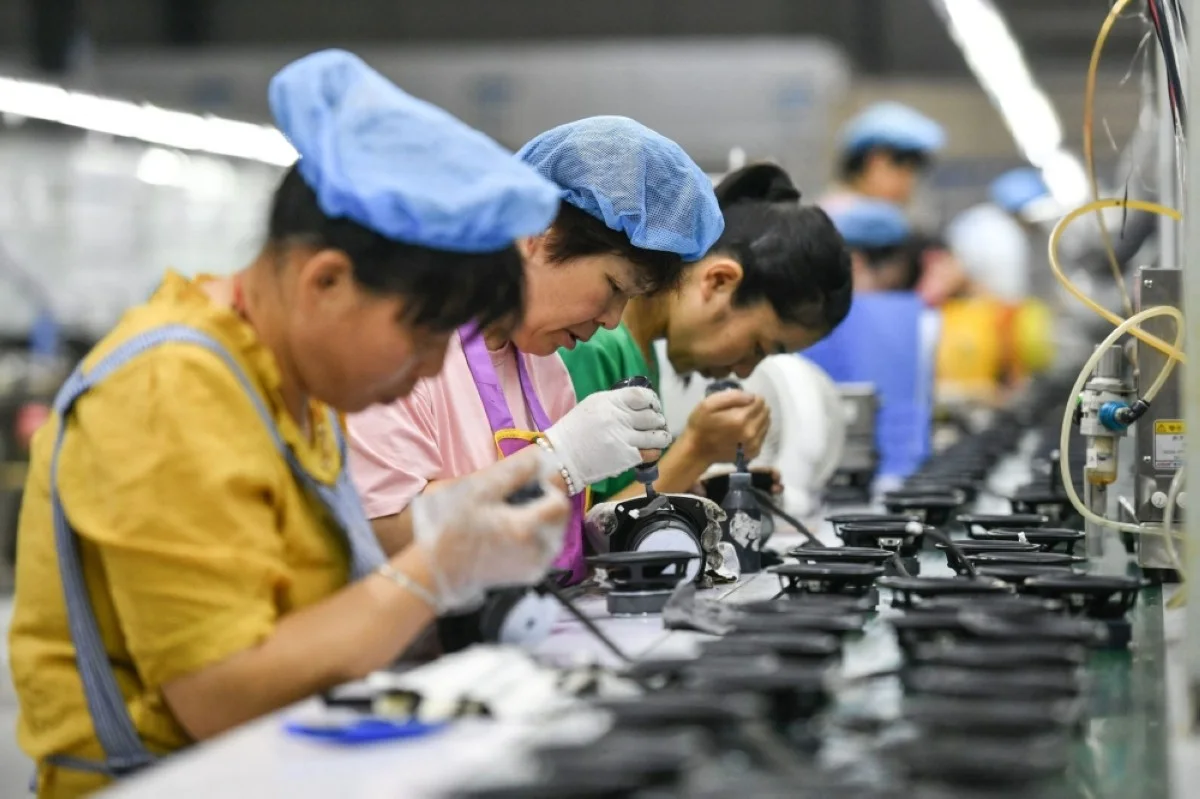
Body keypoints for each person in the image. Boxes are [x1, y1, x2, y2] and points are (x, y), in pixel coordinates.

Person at [9, 50, 576, 799]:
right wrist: (432, 568)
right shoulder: (172, 389)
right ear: (326, 280)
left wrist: (438, 528)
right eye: (424, 332)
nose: (433, 365)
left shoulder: (290, 385)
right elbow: (221, 692)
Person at [346, 116, 723, 581]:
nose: (611, 320)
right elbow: (385, 532)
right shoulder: (404, 342)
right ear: (537, 237)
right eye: (612, 286)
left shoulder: (545, 367)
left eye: (628, 301)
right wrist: (555, 462)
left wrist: (618, 527)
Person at [559, 163, 853, 503]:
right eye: (758, 347)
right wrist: (697, 451)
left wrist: (694, 481)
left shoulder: (641, 352)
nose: (745, 371)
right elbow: (568, 542)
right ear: (719, 281)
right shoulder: (592, 341)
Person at [822, 102, 946, 212]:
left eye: (913, 168)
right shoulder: (838, 219)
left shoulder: (895, 220)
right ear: (864, 163)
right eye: (898, 163)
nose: (906, 180)